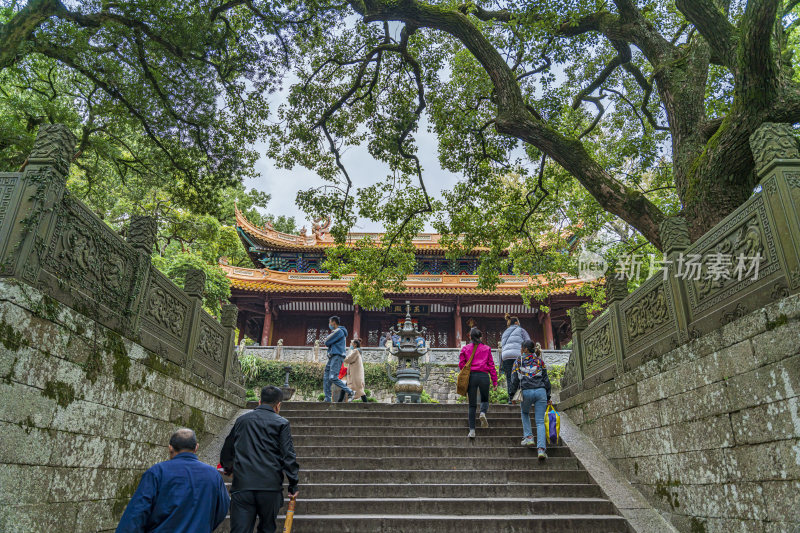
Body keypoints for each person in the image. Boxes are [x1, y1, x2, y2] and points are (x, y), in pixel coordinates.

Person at [116, 428, 229, 533]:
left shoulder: (157, 472)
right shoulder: (213, 475)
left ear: (170, 447)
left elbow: (136, 514)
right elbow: (222, 508)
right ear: (196, 447)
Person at [220, 386, 300, 533]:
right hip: (270, 487)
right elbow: (288, 455)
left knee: (240, 530)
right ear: (278, 405)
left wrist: (229, 469)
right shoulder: (281, 423)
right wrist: (293, 484)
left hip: (243, 485)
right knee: (267, 528)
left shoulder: (242, 421)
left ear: (259, 402)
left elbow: (227, 450)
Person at [511, 341, 552, 459]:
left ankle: (529, 437)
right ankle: (541, 450)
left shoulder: (518, 361)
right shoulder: (540, 361)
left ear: (524, 349)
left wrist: (512, 395)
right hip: (541, 392)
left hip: (526, 391)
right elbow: (546, 380)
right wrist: (548, 396)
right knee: (540, 421)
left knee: (524, 412)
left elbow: (514, 379)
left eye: (521, 348)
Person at [458, 327, 498, 438]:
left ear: (470, 337)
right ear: (480, 337)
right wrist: (495, 381)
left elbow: (462, 365)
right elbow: (491, 366)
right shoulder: (487, 348)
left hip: (472, 377)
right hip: (484, 376)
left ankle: (472, 431)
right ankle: (483, 413)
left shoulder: (465, 349)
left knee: (472, 405)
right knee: (485, 399)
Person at [322, 315, 354, 402]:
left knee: (332, 377)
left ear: (333, 322)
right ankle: (327, 399)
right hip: (332, 356)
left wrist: (327, 340)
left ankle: (350, 391)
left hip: (337, 356)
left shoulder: (339, 331)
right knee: (326, 377)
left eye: (330, 322)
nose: (329, 324)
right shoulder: (336, 331)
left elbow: (327, 341)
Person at [500, 314, 531, 404]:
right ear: (517, 322)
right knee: (521, 376)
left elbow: (502, 346)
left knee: (509, 377)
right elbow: (528, 342)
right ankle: (522, 398)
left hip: (506, 356)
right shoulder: (521, 330)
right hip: (518, 355)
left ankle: (511, 399)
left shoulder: (505, 332)